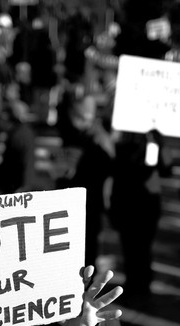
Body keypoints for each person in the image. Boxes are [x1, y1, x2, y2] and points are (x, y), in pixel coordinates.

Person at [109, 130, 171, 299]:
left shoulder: (154, 146)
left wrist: (160, 144)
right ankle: (133, 284)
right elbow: (116, 179)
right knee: (130, 248)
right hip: (127, 205)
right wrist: (113, 208)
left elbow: (167, 170)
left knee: (143, 248)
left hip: (146, 207)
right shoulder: (121, 148)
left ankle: (142, 285)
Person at [56, 92, 114, 267]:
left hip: (90, 204)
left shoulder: (98, 140)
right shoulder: (78, 135)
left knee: (87, 248)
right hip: (76, 200)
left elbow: (106, 176)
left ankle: (86, 285)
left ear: (82, 117)